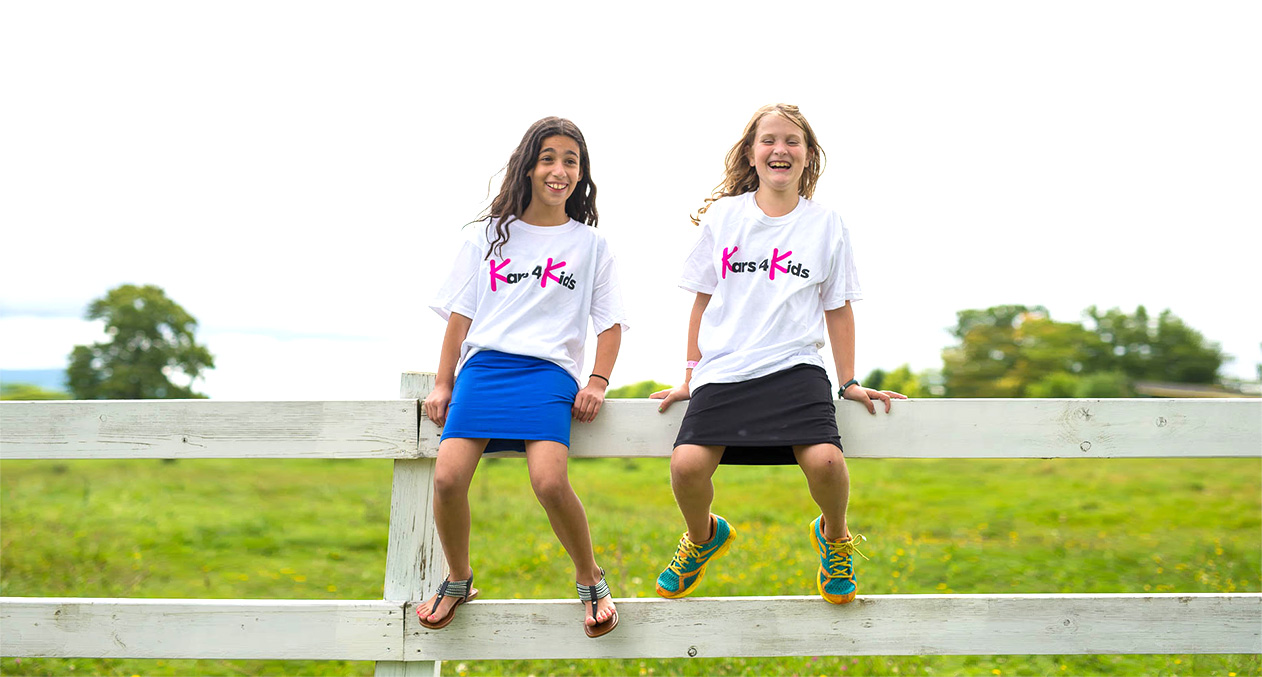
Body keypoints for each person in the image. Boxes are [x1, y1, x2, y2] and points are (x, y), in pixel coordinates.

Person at [651, 103, 905, 605]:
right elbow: (701, 301)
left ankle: (834, 537)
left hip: (797, 369)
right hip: (723, 371)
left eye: (792, 141)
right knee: (685, 467)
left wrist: (848, 380)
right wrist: (689, 375)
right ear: (751, 153)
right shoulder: (725, 218)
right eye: (768, 140)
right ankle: (704, 538)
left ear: (809, 156)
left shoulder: (827, 224)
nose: (780, 150)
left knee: (829, 463)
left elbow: (838, 308)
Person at [421, 116, 627, 638]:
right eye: (549, 159)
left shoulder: (591, 246)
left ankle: (590, 577)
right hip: (484, 368)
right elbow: (460, 317)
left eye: (571, 161)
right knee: (446, 479)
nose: (559, 170)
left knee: (550, 482)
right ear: (529, 167)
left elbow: (611, 324)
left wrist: (598, 380)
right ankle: (459, 579)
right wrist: (444, 381)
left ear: (581, 174)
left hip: (548, 373)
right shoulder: (487, 237)